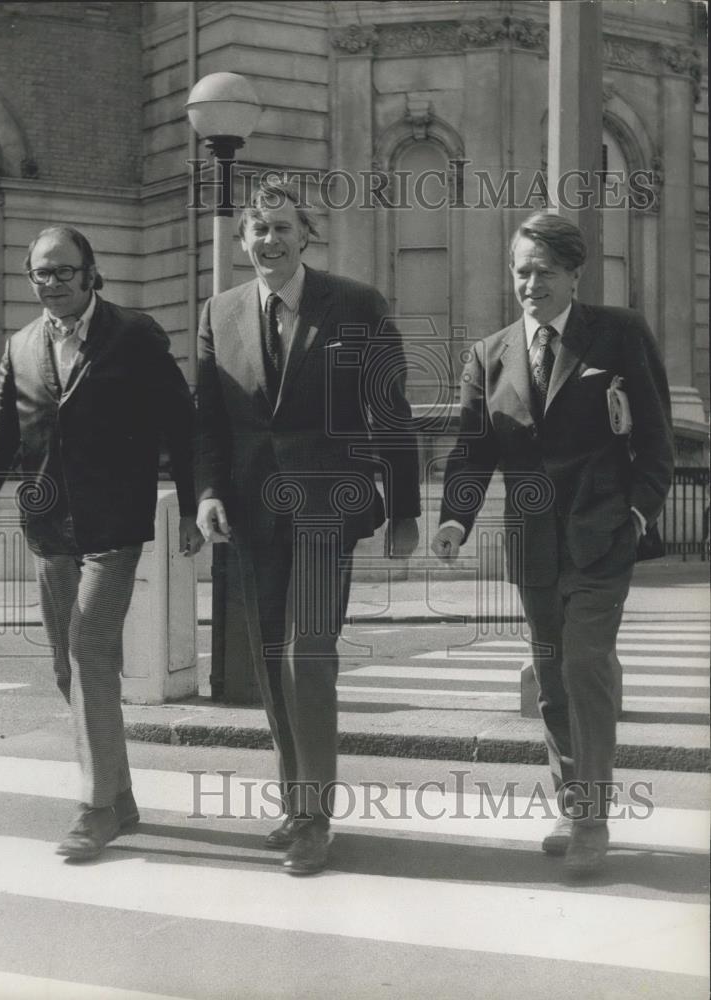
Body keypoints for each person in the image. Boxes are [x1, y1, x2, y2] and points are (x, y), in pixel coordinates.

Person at [433, 212, 673, 875]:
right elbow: (472, 451)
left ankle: (591, 818)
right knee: (549, 680)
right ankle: (570, 802)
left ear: (573, 273)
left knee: (583, 666)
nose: (529, 283)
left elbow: (655, 440)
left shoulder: (617, 335)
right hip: (533, 545)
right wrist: (455, 518)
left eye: (542, 270)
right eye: (520, 271)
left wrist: (636, 514)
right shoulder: (489, 354)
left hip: (602, 537)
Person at [0, 225, 203, 860]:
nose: (53, 283)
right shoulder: (22, 345)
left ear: (92, 274)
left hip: (114, 527)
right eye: (42, 273)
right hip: (49, 529)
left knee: (91, 652)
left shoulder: (134, 334)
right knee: (69, 666)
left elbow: (181, 422)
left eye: (65, 271)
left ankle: (94, 810)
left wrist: (197, 507)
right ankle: (119, 796)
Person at [195, 181, 420, 875]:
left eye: (281, 228)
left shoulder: (354, 305)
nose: (268, 240)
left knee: (306, 656)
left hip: (329, 505)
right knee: (268, 661)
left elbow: (390, 408)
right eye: (256, 230)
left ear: (305, 235)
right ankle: (296, 802)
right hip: (253, 511)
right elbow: (206, 417)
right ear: (243, 242)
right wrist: (204, 493)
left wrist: (405, 506)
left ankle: (316, 817)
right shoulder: (220, 310)